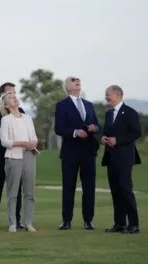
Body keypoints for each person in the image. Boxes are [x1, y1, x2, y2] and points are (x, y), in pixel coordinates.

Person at [54, 76, 101, 230]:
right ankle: (66, 220)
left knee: (89, 187)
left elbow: (97, 124)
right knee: (69, 187)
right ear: (68, 87)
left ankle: (88, 221)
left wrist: (95, 128)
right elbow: (59, 128)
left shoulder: (88, 104)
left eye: (78, 80)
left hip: (88, 151)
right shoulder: (61, 105)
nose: (77, 81)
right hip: (70, 152)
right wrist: (74, 132)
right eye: (73, 80)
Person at [101, 85, 142, 234]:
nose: (106, 98)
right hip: (111, 158)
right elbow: (106, 131)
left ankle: (134, 224)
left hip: (125, 158)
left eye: (108, 95)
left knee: (125, 189)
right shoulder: (108, 114)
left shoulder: (130, 113)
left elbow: (136, 132)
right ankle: (119, 223)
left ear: (118, 95)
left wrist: (118, 140)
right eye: (106, 95)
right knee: (115, 191)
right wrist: (104, 138)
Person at [0, 92, 39, 233]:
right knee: (13, 191)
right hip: (13, 157)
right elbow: (4, 141)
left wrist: (33, 142)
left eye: (15, 97)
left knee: (29, 192)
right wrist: (22, 143)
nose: (14, 99)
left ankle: (28, 222)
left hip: (29, 155)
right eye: (10, 98)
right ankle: (12, 223)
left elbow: (34, 136)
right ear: (6, 105)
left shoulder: (27, 118)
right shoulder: (6, 120)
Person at [0, 82, 24, 230]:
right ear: (2, 95)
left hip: (17, 154)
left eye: (14, 93)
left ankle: (16, 219)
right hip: (0, 154)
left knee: (16, 187)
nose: (13, 95)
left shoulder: (21, 111)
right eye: (9, 93)